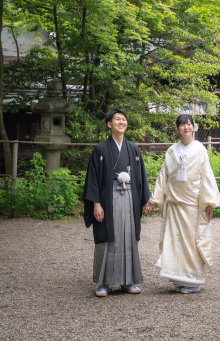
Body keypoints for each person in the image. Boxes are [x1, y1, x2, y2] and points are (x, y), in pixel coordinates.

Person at [83, 109, 153, 297]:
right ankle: (103, 283)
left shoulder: (133, 148)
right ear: (109, 124)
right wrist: (96, 203)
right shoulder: (101, 149)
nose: (121, 122)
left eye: (124, 120)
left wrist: (146, 200)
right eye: (117, 120)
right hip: (108, 198)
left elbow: (141, 177)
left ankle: (127, 281)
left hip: (129, 197)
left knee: (128, 236)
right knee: (107, 236)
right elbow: (93, 179)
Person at [149, 114, 220, 293]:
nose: (186, 128)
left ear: (193, 127)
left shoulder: (200, 149)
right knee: (174, 242)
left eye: (188, 124)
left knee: (191, 243)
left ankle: (193, 281)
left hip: (192, 204)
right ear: (177, 129)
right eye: (182, 125)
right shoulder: (172, 151)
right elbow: (163, 176)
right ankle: (178, 279)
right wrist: (154, 199)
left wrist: (209, 203)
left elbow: (206, 176)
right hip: (174, 203)